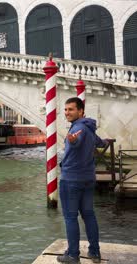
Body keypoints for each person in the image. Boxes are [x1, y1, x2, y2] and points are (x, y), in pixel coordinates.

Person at [57, 97, 108, 264]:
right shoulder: (89, 127)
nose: (67, 113)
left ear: (81, 111)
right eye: (65, 109)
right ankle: (94, 252)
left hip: (71, 179)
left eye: (71, 109)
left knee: (71, 217)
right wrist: (106, 142)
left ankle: (73, 255)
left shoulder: (77, 129)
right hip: (88, 179)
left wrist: (73, 140)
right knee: (89, 215)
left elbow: (76, 142)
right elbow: (100, 143)